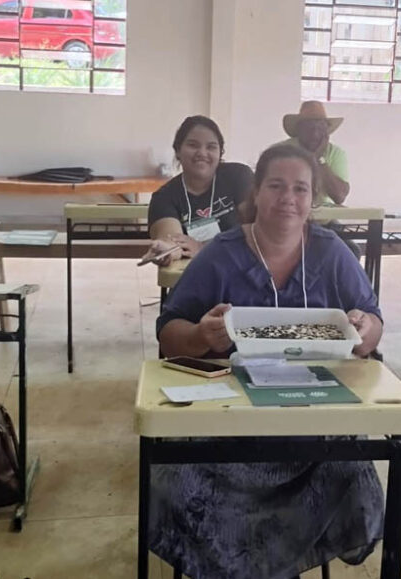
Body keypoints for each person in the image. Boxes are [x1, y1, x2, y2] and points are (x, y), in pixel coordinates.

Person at [151, 144, 384, 578]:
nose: (288, 199)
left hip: (315, 436)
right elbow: (168, 333)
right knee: (168, 484)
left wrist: (364, 329)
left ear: (313, 199)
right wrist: (201, 336)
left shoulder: (333, 255)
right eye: (276, 186)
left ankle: (275, 564)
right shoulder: (221, 254)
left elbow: (372, 324)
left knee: (356, 478)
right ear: (256, 192)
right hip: (225, 437)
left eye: (300, 189)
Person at [143, 115, 253, 266]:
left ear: (220, 152)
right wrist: (166, 250)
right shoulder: (164, 197)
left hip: (243, 268)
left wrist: (204, 247)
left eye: (211, 147)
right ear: (178, 151)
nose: (202, 153)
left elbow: (257, 228)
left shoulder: (238, 176)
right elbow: (172, 241)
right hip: (197, 277)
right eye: (193, 145)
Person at [280, 100, 349, 206]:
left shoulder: (336, 153)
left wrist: (318, 158)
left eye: (320, 128)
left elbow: (339, 196)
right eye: (309, 128)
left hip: (325, 220)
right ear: (299, 130)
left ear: (327, 132)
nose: (315, 134)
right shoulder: (281, 151)